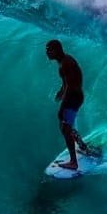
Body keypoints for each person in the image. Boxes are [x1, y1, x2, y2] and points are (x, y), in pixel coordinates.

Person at [45, 39, 98, 170]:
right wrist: (60, 91)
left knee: (65, 127)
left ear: (56, 50)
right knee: (65, 126)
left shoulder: (65, 64)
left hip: (73, 98)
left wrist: (62, 106)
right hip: (74, 96)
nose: (47, 53)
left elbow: (70, 86)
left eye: (49, 50)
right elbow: (67, 83)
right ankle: (82, 146)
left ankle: (73, 162)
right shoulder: (63, 61)